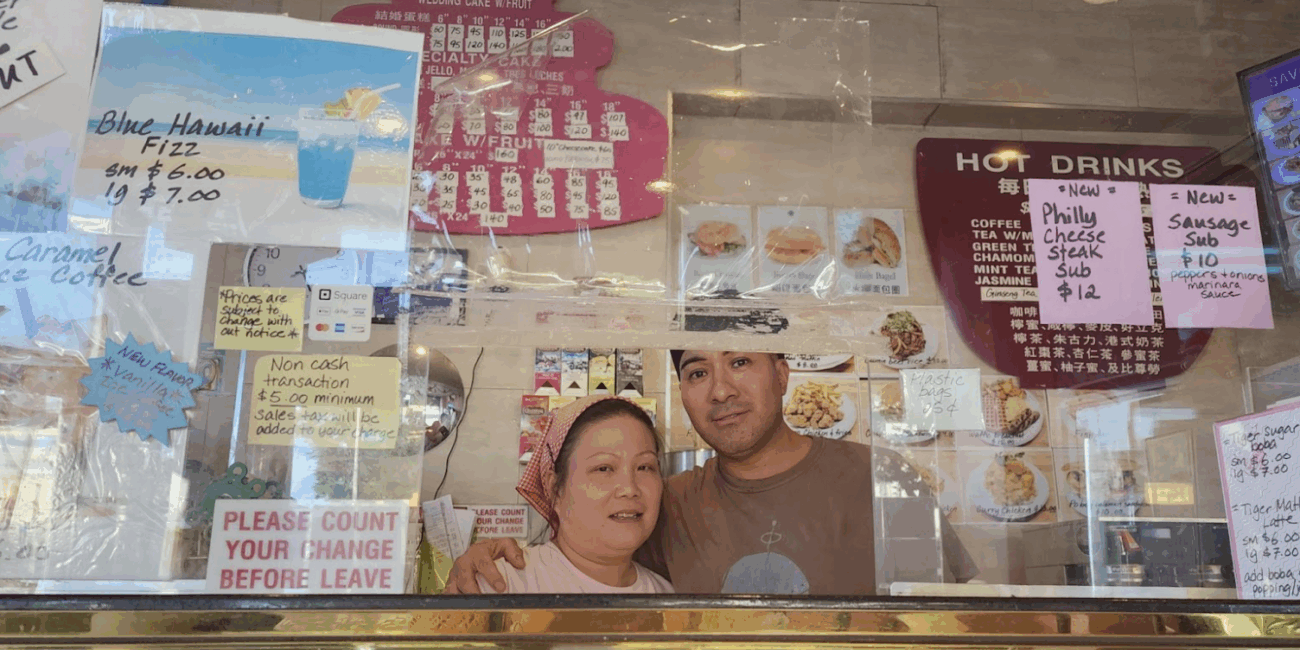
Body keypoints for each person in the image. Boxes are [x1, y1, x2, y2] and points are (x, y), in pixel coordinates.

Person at [447, 350, 976, 594]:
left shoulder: (883, 480)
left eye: (740, 362)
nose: (720, 389)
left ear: (783, 372)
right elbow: (588, 556)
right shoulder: (664, 504)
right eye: (698, 371)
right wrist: (484, 558)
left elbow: (954, 625)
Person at [473, 395, 673, 594]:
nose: (629, 489)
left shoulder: (667, 596)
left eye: (645, 467)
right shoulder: (500, 584)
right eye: (604, 468)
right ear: (555, 490)